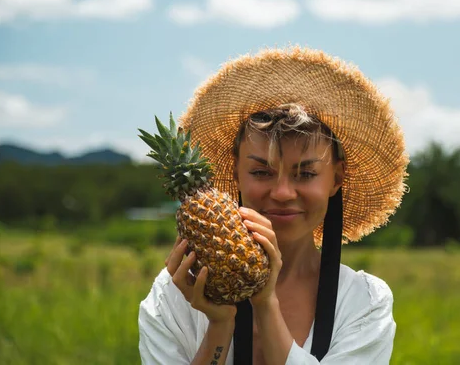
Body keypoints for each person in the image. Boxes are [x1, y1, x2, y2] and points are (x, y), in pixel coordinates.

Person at [138, 46, 409, 364]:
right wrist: (220, 324)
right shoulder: (172, 297)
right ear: (235, 172)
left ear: (336, 178)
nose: (282, 192)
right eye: (261, 172)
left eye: (305, 173)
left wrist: (266, 305)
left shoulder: (364, 302)